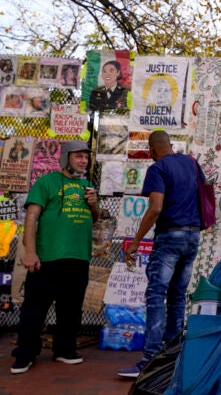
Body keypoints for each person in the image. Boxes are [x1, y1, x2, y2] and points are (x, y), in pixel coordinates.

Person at [117, 130, 203, 379]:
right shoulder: (191, 163)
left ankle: (151, 359)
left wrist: (135, 242)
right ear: (170, 145)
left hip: (170, 236)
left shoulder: (158, 169)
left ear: (152, 150)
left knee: (156, 294)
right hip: (192, 235)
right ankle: (173, 356)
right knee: (177, 295)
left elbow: (155, 208)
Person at [10, 140, 99, 374]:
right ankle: (25, 354)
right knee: (34, 309)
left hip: (78, 256)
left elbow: (95, 219)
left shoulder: (86, 185)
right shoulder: (46, 182)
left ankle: (64, 350)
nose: (83, 161)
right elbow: (32, 216)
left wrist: (94, 205)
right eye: (78, 156)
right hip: (48, 256)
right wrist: (30, 251)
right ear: (66, 157)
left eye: (85, 157)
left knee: (71, 308)